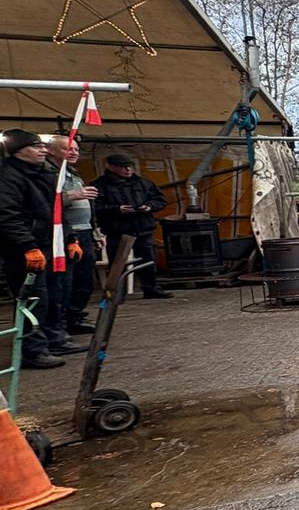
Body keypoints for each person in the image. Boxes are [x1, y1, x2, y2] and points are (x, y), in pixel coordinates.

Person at [0, 129, 85, 368]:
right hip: (26, 250)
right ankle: (33, 350)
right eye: (36, 147)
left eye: (43, 146)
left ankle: (55, 338)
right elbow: (7, 215)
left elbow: (56, 210)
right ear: (18, 151)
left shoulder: (45, 174)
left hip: (53, 244)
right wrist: (27, 246)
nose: (43, 150)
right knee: (34, 299)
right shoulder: (8, 176)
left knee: (56, 293)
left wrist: (71, 238)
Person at [93, 154, 171, 299]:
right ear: (111, 167)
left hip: (143, 228)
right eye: (123, 167)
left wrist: (149, 207)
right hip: (117, 230)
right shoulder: (99, 185)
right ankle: (117, 294)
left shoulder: (143, 183)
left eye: (130, 166)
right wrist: (117, 209)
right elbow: (95, 207)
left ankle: (151, 289)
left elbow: (160, 199)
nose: (128, 169)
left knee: (147, 261)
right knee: (117, 263)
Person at [45, 137, 99, 335]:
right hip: (64, 235)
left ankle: (75, 317)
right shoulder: (48, 174)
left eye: (76, 149)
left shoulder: (72, 174)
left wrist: (95, 232)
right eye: (68, 148)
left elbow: (89, 206)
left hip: (84, 231)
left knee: (84, 279)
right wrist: (72, 196)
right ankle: (60, 323)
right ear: (50, 150)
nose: (74, 152)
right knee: (64, 281)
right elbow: (45, 203)